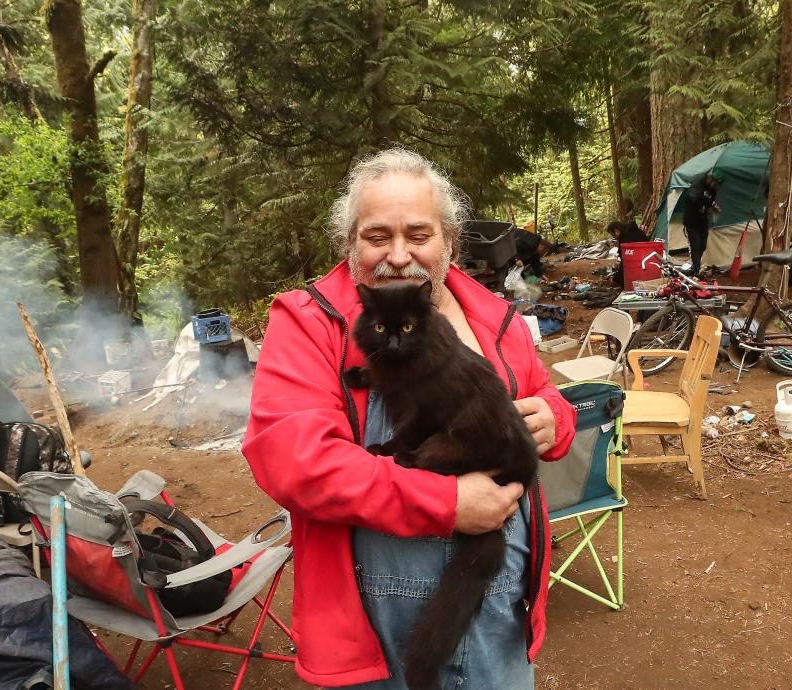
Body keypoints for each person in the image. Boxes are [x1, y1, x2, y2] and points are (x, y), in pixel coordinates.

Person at [242, 148, 577, 689]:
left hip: (497, 596)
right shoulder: (310, 323)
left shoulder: (493, 316)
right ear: (350, 243)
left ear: (448, 240)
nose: (399, 255)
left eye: (419, 235)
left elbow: (541, 392)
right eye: (377, 237)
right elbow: (297, 464)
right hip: (379, 616)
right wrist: (446, 502)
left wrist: (553, 418)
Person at [682, 172, 723, 275]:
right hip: (691, 221)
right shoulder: (697, 185)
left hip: (702, 221)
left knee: (703, 245)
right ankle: (696, 269)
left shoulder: (713, 189)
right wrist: (711, 203)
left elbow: (711, 199)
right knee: (695, 246)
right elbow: (694, 198)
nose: (715, 185)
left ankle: (697, 266)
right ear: (709, 179)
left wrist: (710, 208)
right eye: (714, 182)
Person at [606, 219, 650, 287]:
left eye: (613, 235)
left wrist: (615, 279)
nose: (614, 237)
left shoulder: (626, 239)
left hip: (638, 268)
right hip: (647, 264)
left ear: (616, 230)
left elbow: (625, 263)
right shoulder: (635, 232)